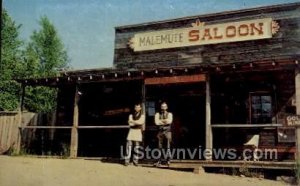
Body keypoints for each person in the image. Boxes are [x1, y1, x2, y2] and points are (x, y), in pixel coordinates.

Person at [154, 102, 173, 166]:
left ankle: (168, 160)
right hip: (160, 131)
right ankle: (159, 160)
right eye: (162, 106)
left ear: (167, 107)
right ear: (160, 107)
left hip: (168, 131)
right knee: (159, 146)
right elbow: (156, 122)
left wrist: (161, 121)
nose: (163, 108)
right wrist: (165, 121)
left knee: (168, 146)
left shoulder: (170, 114)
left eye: (164, 106)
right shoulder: (157, 114)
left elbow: (169, 121)